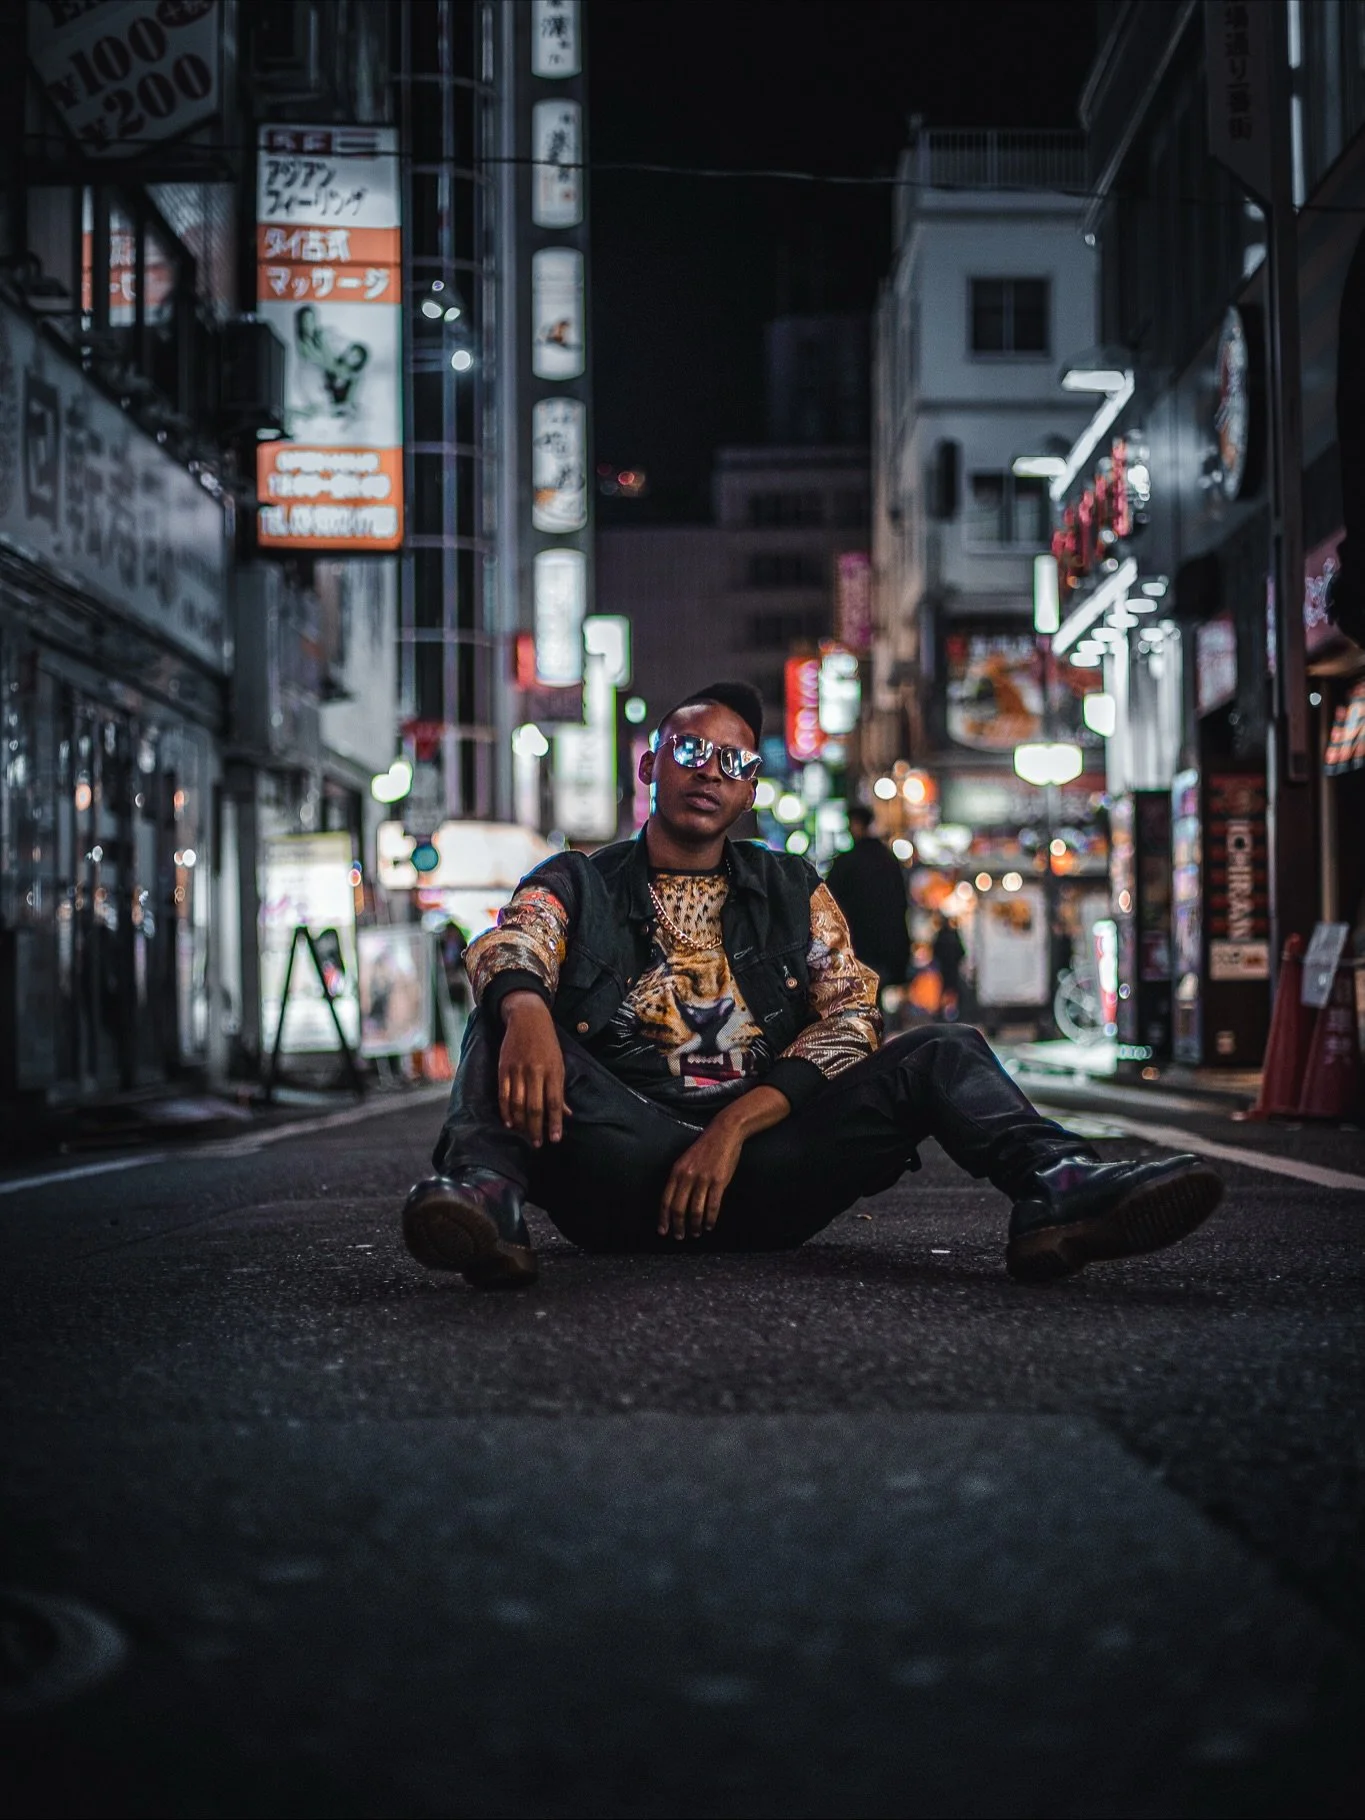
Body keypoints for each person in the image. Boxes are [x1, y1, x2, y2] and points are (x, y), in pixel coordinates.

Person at [401, 681, 1222, 1289]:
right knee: (503, 1014)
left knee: (943, 1049)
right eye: (689, 751)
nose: (709, 771)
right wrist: (526, 1012)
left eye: (734, 761)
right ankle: (486, 1199)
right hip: (623, 1164)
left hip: (766, 1169)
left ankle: (1059, 1189)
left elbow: (851, 1016)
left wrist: (732, 1129)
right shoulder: (576, 880)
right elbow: (515, 937)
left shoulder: (792, 887)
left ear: (751, 788)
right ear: (651, 763)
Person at [825, 805, 910, 1006]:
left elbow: (829, 902)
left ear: (856, 825)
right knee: (875, 998)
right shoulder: (888, 859)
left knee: (858, 1000)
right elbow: (901, 904)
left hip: (857, 945)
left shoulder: (847, 862)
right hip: (887, 946)